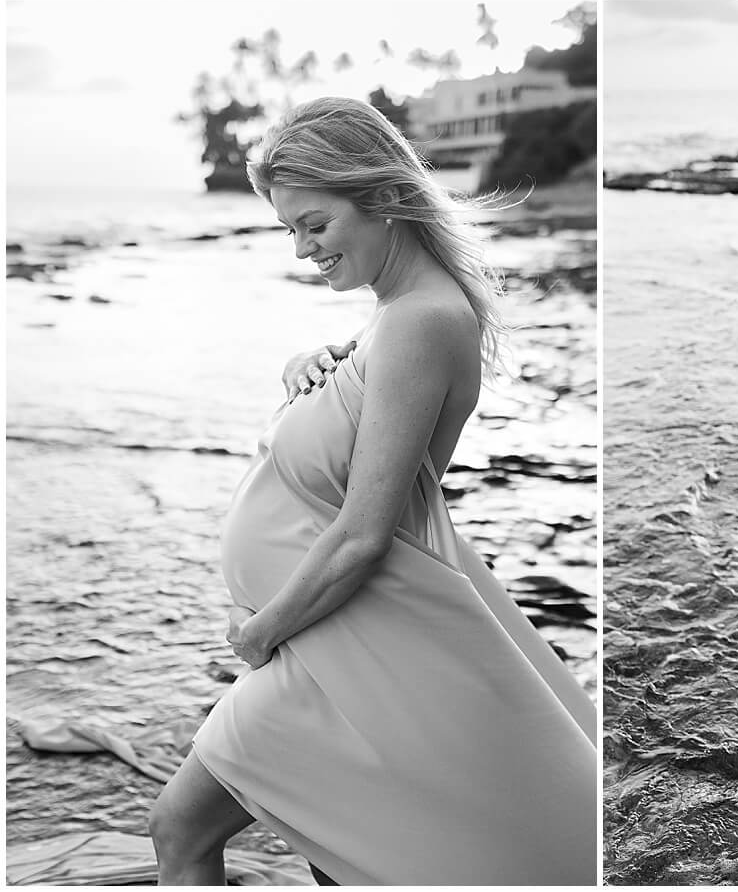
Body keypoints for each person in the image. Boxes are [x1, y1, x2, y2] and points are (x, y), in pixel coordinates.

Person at [148, 97, 596, 884]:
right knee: (359, 853)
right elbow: (355, 442)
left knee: (182, 829)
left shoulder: (420, 320)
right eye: (290, 230)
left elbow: (365, 530)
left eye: (313, 224)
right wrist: (305, 375)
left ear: (384, 197)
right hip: (336, 637)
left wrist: (261, 635)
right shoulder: (393, 319)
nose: (301, 250)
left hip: (350, 637)